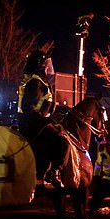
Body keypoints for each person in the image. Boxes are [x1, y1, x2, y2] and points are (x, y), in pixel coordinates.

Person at [17, 48, 69, 189]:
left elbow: (44, 106)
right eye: (46, 64)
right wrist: (46, 120)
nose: (49, 68)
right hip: (32, 123)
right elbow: (30, 108)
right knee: (62, 141)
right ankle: (53, 173)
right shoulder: (36, 83)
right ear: (40, 65)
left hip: (33, 121)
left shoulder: (37, 81)